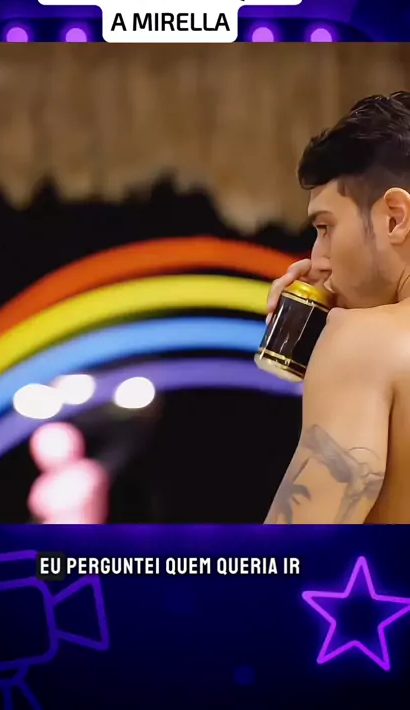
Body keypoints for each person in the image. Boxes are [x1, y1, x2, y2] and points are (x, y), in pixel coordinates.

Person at [28, 92, 410, 525]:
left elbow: (295, 554)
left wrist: (338, 352)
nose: (317, 258)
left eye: (325, 227)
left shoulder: (363, 343)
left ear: (395, 218)